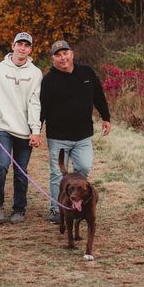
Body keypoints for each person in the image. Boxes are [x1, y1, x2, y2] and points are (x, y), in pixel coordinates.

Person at [0, 32, 42, 224]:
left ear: (30, 49)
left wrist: (36, 130)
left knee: (21, 171)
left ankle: (19, 209)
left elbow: (35, 104)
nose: (22, 48)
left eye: (26, 46)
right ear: (13, 46)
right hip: (2, 127)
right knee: (1, 166)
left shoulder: (36, 73)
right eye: (19, 44)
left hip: (25, 130)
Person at [40, 40, 111, 224]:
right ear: (53, 58)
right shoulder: (48, 80)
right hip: (58, 136)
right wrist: (36, 129)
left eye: (65, 53)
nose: (63, 57)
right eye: (58, 54)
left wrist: (106, 117)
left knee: (84, 169)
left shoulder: (87, 72)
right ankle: (57, 209)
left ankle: (78, 203)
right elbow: (43, 107)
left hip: (83, 136)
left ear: (72, 53)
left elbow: (98, 95)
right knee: (57, 174)